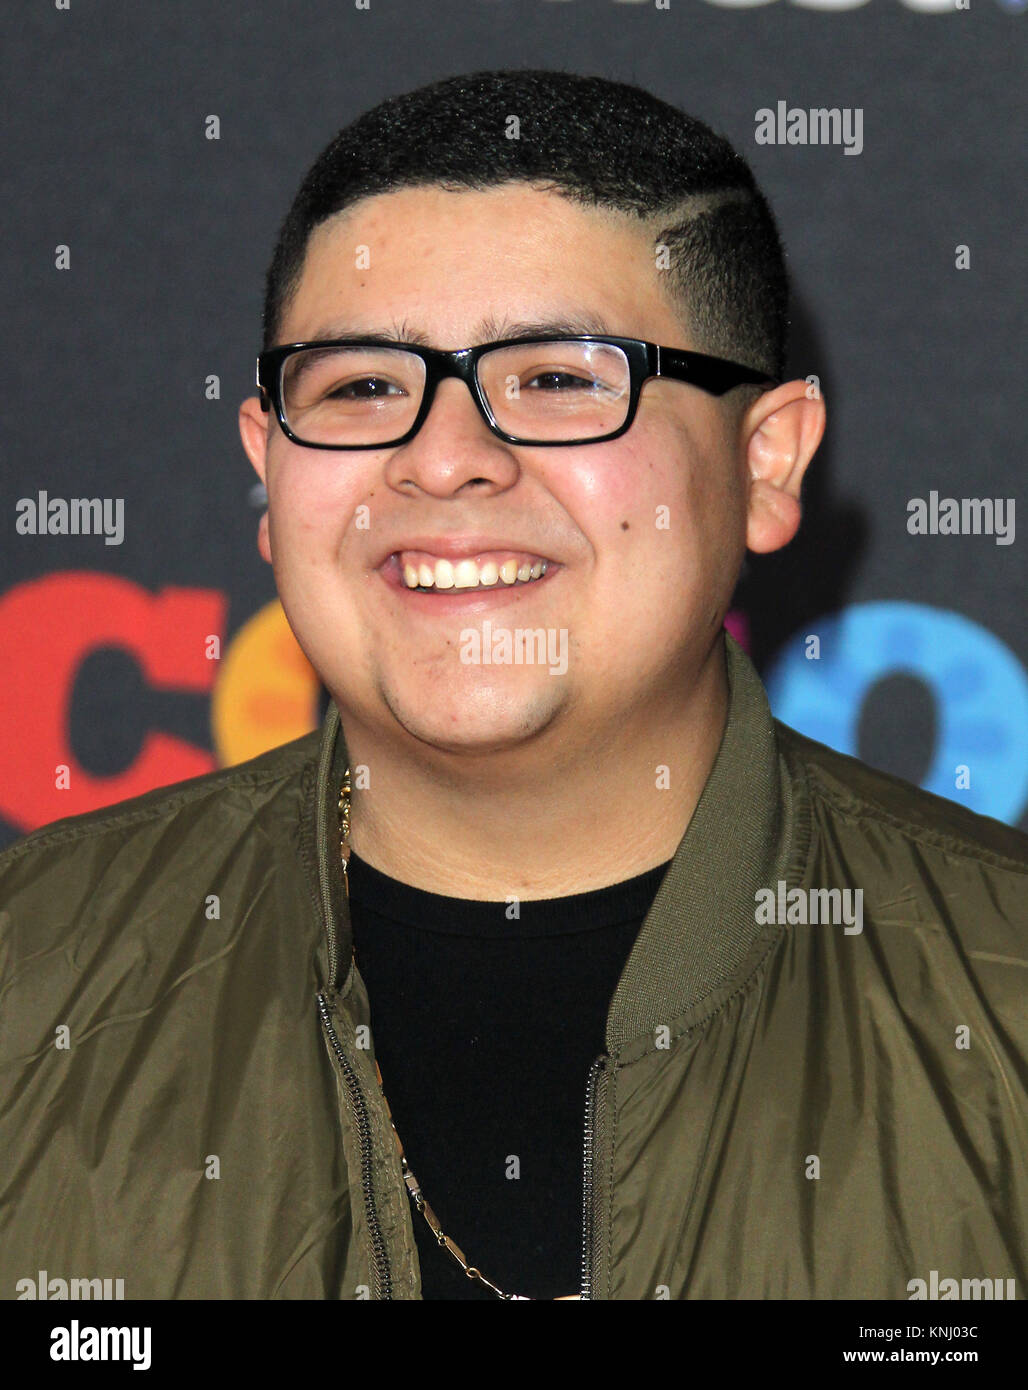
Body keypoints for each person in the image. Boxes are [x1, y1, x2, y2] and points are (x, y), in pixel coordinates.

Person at [1, 69, 1024, 1302]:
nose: (443, 459)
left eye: (556, 378)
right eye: (362, 385)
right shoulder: (32, 978)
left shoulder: (995, 997)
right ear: (269, 477)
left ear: (764, 461)